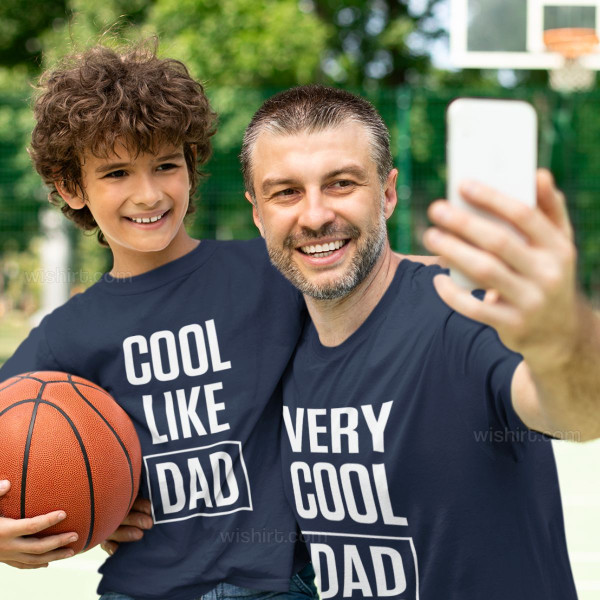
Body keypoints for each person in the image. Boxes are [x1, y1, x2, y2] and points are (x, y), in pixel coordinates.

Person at [241, 84, 600, 599]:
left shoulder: (465, 313)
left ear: (387, 194)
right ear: (258, 212)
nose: (315, 215)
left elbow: (576, 415)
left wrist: (562, 339)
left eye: (341, 183)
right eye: (286, 192)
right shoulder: (268, 344)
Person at [0, 43, 319, 600]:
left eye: (165, 165)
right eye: (117, 172)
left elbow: (396, 281)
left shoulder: (270, 271)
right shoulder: (68, 334)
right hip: (144, 587)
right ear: (72, 186)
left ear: (192, 166)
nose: (148, 194)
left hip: (278, 583)